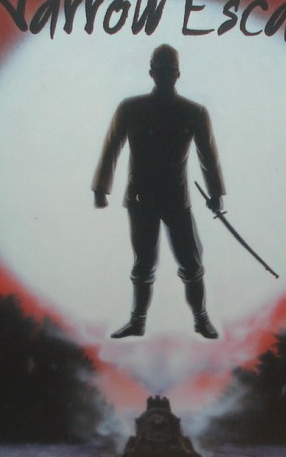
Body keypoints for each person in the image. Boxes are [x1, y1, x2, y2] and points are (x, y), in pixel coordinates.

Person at [92, 44, 224, 339]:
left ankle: (201, 320)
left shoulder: (194, 112)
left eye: (170, 71)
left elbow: (208, 156)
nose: (165, 75)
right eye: (160, 70)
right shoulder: (130, 108)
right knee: (143, 265)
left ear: (178, 74)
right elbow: (111, 148)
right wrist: (101, 188)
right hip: (141, 199)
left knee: (191, 264)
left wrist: (216, 194)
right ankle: (137, 322)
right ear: (151, 73)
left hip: (177, 199)